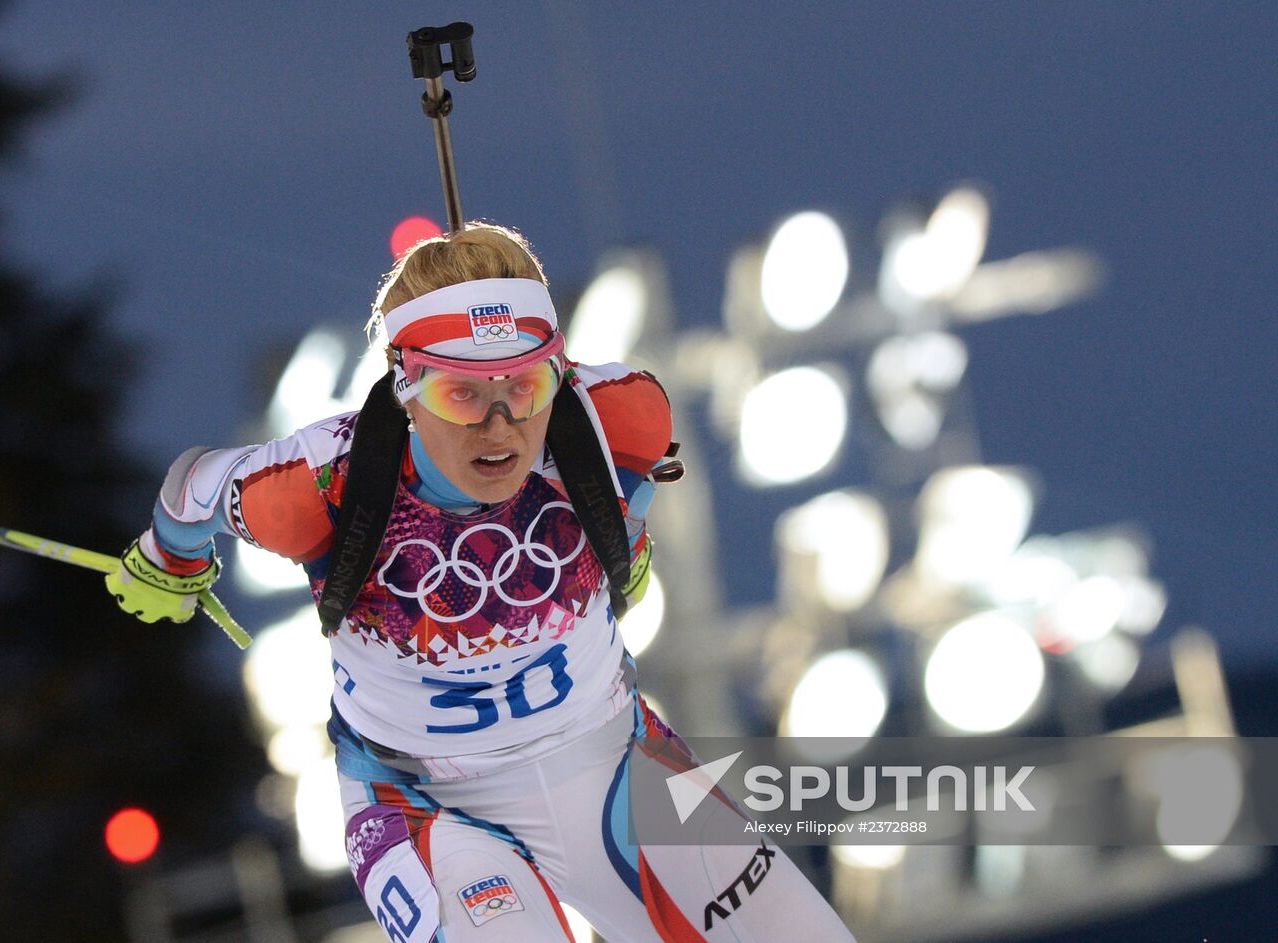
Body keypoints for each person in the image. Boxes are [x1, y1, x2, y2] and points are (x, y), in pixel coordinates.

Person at [106, 223, 855, 942]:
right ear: (407, 384)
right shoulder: (319, 484)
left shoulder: (618, 417)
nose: (500, 426)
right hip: (430, 805)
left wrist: (625, 539)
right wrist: (171, 559)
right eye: (461, 395)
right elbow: (194, 487)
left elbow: (634, 486)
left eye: (526, 385)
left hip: (613, 761)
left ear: (559, 370)